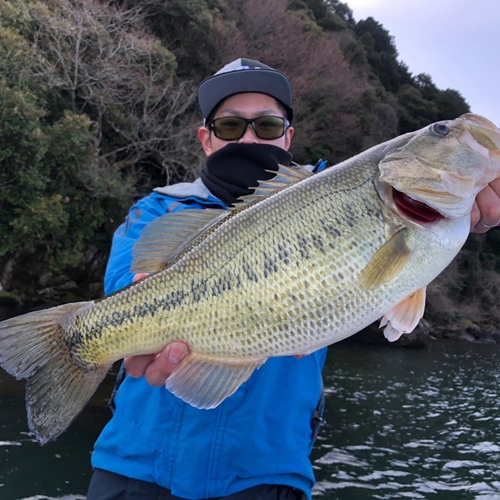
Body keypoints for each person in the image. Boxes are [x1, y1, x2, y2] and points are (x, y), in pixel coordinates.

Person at [86, 58, 500, 500]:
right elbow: (124, 292)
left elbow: (392, 277)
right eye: (229, 127)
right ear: (205, 138)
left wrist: (471, 210)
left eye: (266, 126)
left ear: (289, 137)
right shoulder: (156, 211)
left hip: (267, 475)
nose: (248, 137)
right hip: (134, 468)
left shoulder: (338, 191)